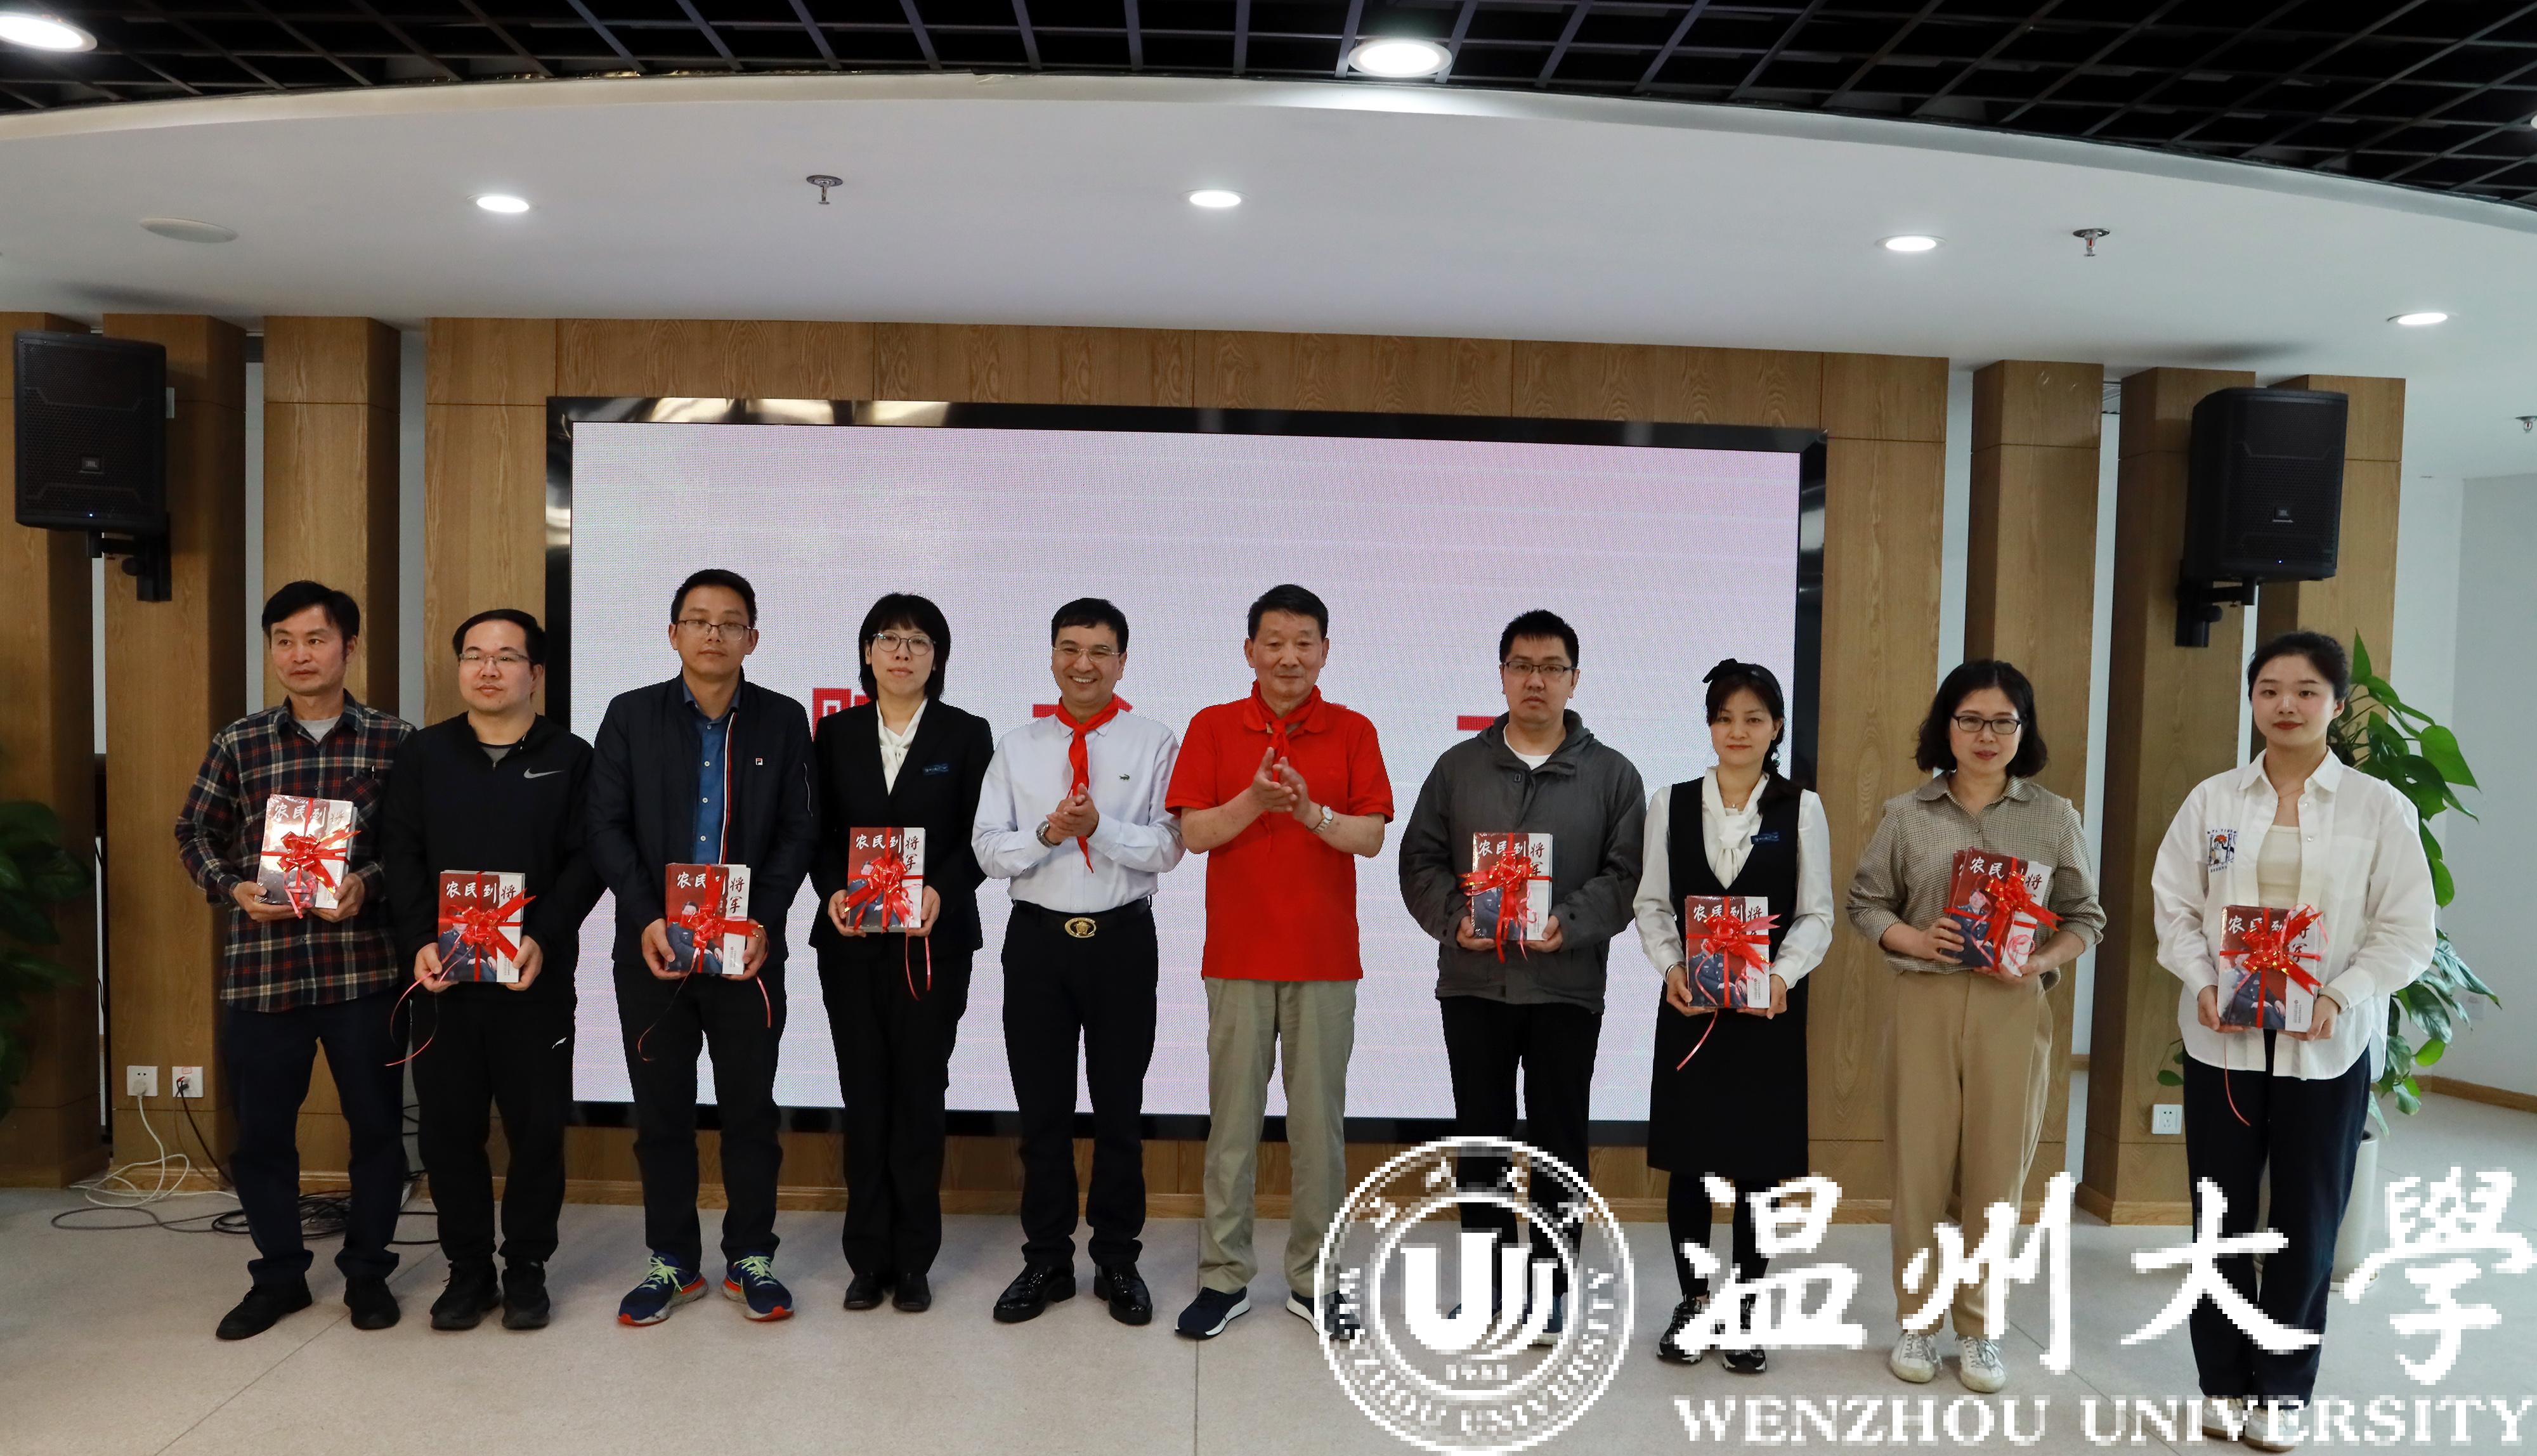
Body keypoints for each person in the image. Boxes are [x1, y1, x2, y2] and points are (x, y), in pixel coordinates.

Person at [2153, 632, 2433, 1452]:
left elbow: (2407, 929)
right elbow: (2175, 906)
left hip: (2326, 1046)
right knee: (2220, 1217)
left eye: (2306, 691)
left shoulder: (2379, 809)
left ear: (2335, 705)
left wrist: (2343, 993)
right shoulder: (2212, 802)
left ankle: (2280, 1390)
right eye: (2270, 689)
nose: (2286, 705)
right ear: (2252, 701)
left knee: (2307, 1223)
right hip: (2223, 1044)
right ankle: (2221, 1382)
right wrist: (2203, 979)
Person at [1846, 660, 2103, 1394]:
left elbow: (2086, 917)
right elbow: (1865, 903)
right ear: (1946, 727)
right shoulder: (1907, 813)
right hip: (1924, 1002)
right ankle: (1917, 1322)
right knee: (1919, 1173)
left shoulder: (2053, 816)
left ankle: (1981, 1328)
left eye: (2002, 722)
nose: (1986, 735)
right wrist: (1915, 938)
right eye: (1970, 720)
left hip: (2011, 1008)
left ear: (2023, 730)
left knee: (1997, 1175)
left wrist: (2039, 959)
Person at [1397, 608, 1646, 1343]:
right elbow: (1419, 860)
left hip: (1565, 984)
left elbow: (1626, 873)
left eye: (1551, 668)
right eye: (1521, 666)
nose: (1536, 680)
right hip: (1473, 981)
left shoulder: (1612, 774)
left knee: (1558, 1139)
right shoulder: (1458, 767)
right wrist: (1455, 919)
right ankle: (1483, 1286)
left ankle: (1551, 1285)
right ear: (1502, 675)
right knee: (1480, 1138)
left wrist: (1568, 920)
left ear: (1574, 678)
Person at [174, 581, 412, 1340]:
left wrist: (367, 883)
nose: (299, 655)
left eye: (315, 639)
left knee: (377, 1129)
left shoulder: (395, 740)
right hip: (262, 971)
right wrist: (233, 887)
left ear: (350, 646)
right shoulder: (239, 741)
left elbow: (416, 849)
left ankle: (368, 1272)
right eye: (283, 640)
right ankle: (279, 1276)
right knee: (262, 1138)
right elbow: (193, 832)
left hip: (361, 970)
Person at [587, 569, 817, 1326]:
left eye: (730, 622)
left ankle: (751, 1257)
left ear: (753, 637)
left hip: (748, 955)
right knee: (662, 1113)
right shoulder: (630, 716)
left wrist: (764, 920)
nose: (713, 633)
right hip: (654, 951)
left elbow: (798, 831)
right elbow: (605, 825)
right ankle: (672, 1261)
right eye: (697, 619)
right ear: (673, 633)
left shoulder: (782, 720)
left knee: (751, 1110)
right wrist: (646, 916)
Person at [1166, 585, 1393, 1340]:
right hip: (1236, 957)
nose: (1288, 656)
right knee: (1231, 1128)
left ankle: (1314, 1279)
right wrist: (1255, 802)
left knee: (1317, 1130)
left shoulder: (1353, 730)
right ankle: (1223, 1277)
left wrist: (1307, 812)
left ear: (1324, 650)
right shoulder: (1212, 725)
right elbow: (1195, 833)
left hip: (1325, 961)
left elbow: (1369, 837)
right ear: (1249, 650)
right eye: (1273, 641)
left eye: (1303, 642)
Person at [380, 608, 604, 1332]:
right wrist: (419, 939)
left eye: (506, 656)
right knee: (448, 1131)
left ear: (535, 674)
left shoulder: (572, 756)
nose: (487, 668)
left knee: (537, 1132)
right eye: (474, 654)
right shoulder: (425, 754)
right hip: (443, 981)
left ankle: (527, 1268)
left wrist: (543, 937)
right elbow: (402, 852)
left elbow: (587, 860)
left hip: (533, 982)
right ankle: (468, 1269)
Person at [972, 597, 1185, 1326]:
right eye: (1069, 648)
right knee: (1043, 1113)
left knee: (1119, 1111)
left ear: (1121, 661)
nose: (1083, 664)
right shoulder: (1018, 745)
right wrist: (1047, 832)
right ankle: (1046, 1260)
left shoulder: (1154, 741)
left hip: (1122, 941)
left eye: (1099, 651)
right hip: (1037, 942)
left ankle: (1118, 1259)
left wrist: (1101, 828)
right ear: (1052, 656)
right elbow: (986, 848)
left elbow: (1169, 845)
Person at [1632, 660, 1833, 1372]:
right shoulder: (1672, 802)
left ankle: (1744, 1308)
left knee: (1757, 1168)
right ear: (1710, 727)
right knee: (1690, 1164)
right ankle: (1694, 1302)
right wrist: (1671, 968)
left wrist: (1781, 975)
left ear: (1776, 727)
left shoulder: (1801, 808)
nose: (1737, 731)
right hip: (1691, 1007)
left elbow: (1816, 914)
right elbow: (1651, 904)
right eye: (1724, 718)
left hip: (1766, 1014)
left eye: (1753, 718)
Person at [808, 593, 995, 1316]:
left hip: (932, 944)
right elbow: (816, 832)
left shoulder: (966, 734)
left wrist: (941, 890)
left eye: (919, 641)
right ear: (867, 652)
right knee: (864, 1094)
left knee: (919, 1093)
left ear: (937, 657)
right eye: (888, 638)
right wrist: (832, 890)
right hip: (852, 943)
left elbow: (981, 837)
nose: (903, 652)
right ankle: (867, 1259)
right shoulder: (834, 733)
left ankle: (914, 1261)